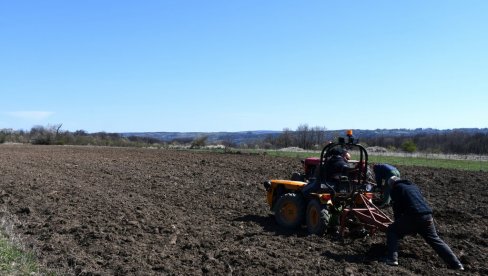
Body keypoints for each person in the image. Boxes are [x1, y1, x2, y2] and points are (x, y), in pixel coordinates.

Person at [385, 176, 464, 270]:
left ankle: (392, 259)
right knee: (435, 240)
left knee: (392, 230)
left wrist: (398, 225)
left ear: (392, 184)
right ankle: (456, 264)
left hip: (413, 215)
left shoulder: (396, 188)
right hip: (427, 216)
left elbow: (397, 208)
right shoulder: (413, 186)